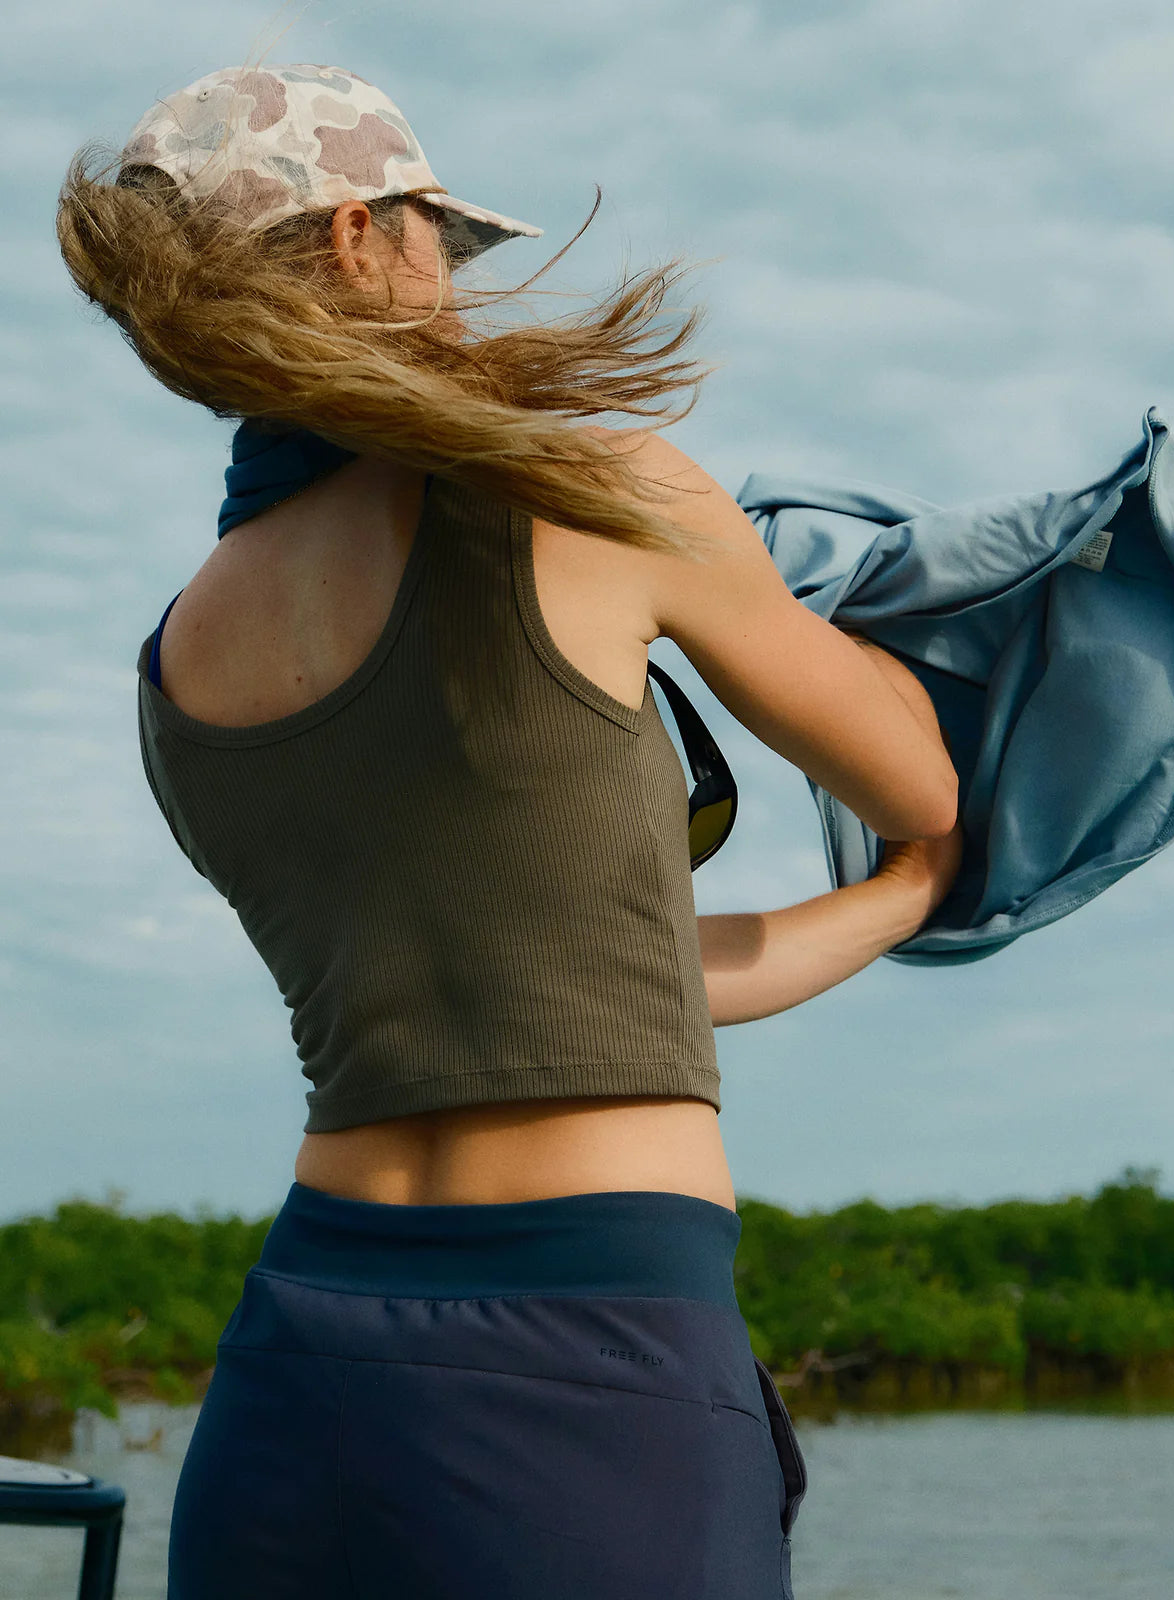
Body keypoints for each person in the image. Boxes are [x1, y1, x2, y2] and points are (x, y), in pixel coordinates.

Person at [56, 59, 961, 1600]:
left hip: (299, 1376)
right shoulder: (589, 492)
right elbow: (917, 785)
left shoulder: (176, 664)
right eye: (437, 243)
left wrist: (900, 906)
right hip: (593, 1353)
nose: (456, 289)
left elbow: (585, 976)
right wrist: (921, 849)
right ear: (360, 242)